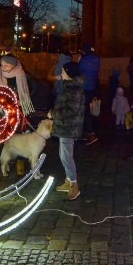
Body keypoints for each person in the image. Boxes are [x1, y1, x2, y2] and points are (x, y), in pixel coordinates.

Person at [0, 54, 38, 183]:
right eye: (2, 65)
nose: (3, 68)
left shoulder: (23, 75)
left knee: (21, 138)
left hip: (20, 112)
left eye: (6, 65)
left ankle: (20, 164)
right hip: (2, 114)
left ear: (14, 65)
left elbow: (34, 89)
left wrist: (22, 100)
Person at [51, 61, 85, 201]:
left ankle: (74, 185)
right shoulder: (67, 85)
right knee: (63, 154)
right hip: (64, 126)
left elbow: (71, 111)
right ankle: (68, 180)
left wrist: (52, 114)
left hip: (69, 127)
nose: (61, 73)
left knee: (66, 156)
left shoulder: (74, 89)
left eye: (64, 71)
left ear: (70, 74)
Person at [78, 43, 101, 145]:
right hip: (93, 87)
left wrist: (79, 61)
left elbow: (79, 71)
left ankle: (91, 133)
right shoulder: (96, 58)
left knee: (85, 111)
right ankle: (92, 130)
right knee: (92, 110)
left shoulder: (83, 60)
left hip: (85, 88)